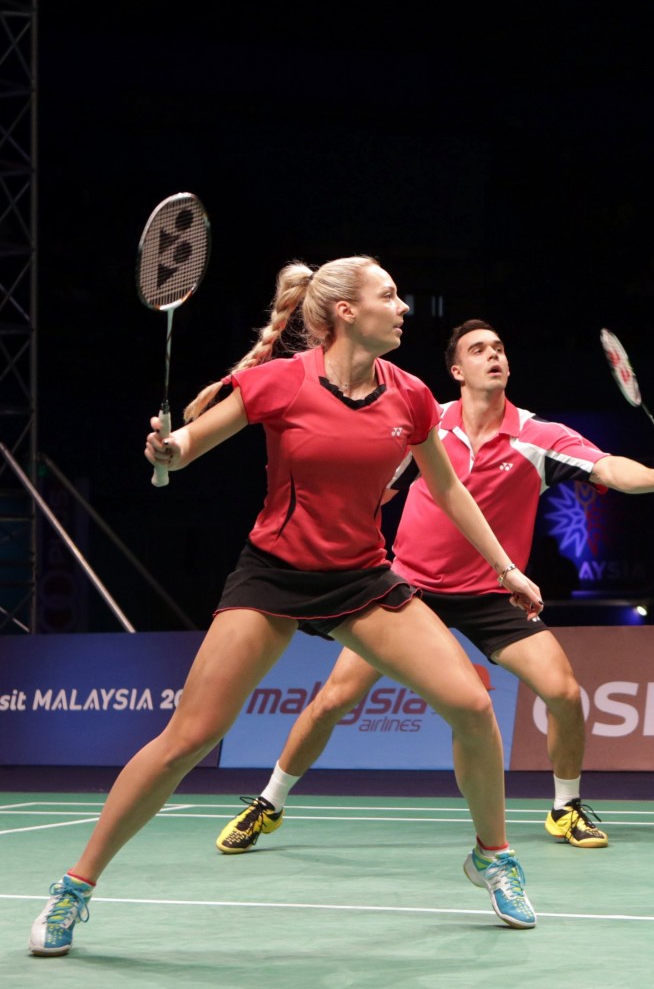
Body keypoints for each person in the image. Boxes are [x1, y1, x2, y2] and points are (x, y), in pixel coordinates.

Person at [28, 261, 547, 958]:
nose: (402, 309)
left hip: (361, 580)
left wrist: (508, 569)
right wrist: (166, 449)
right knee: (188, 739)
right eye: (388, 297)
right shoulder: (281, 381)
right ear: (344, 314)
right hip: (273, 577)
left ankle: (492, 854)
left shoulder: (413, 396)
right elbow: (188, 447)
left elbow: (451, 492)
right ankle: (75, 886)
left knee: (474, 707)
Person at [214, 319, 654, 855]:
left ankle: (566, 808)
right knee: (335, 699)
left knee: (563, 692)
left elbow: (606, 469)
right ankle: (269, 802)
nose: (492, 355)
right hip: (406, 588)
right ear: (456, 370)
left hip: (494, 591)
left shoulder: (539, 437)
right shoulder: (423, 422)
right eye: (477, 349)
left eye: (498, 347)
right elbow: (371, 485)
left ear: (507, 366)